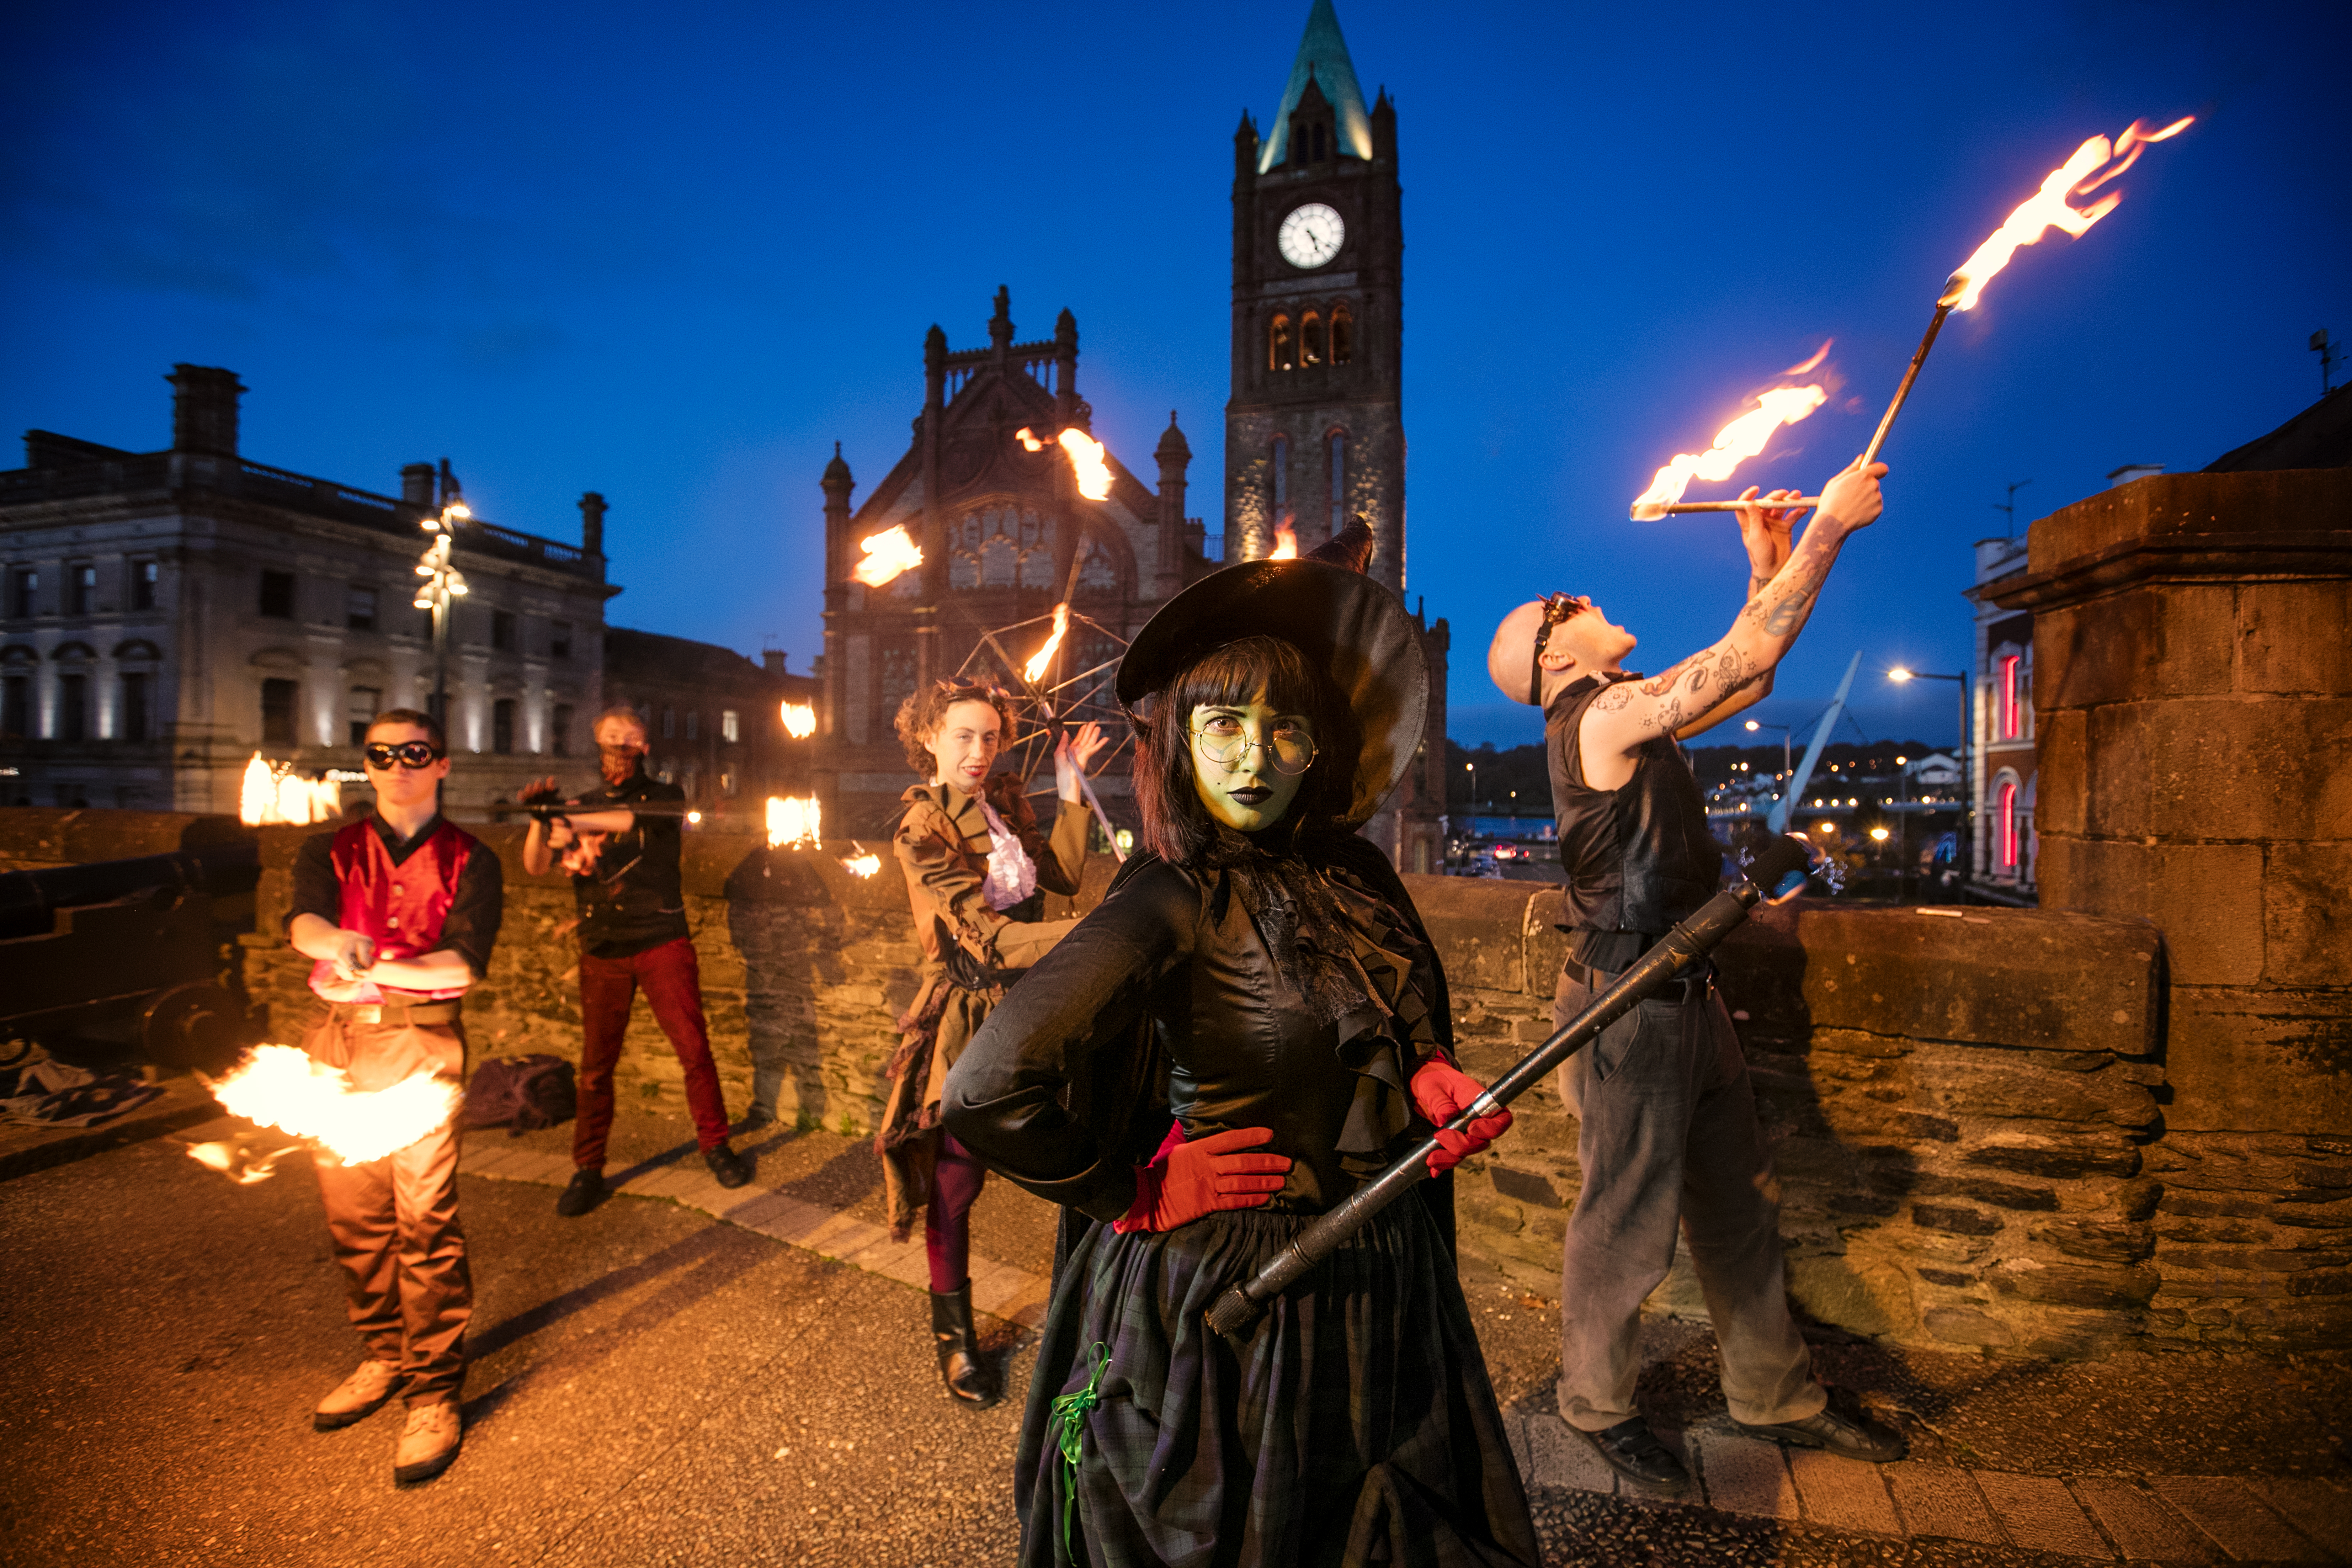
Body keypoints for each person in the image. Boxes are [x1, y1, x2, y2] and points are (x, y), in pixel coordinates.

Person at [944, 530, 1539, 1567]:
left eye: (1284, 729)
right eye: (1223, 725)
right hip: (1242, 1301)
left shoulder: (1354, 874)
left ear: (1321, 747)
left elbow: (1391, 1011)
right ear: (1179, 738)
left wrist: (1428, 1076)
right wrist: (1133, 1192)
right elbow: (987, 1086)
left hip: (1382, 1277)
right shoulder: (1171, 895)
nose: (1252, 759)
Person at [1483, 461, 1907, 1495]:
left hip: (1685, 987)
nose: (1586, 598)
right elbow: (1736, 661)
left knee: (1737, 1205)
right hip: (1627, 1003)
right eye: (1567, 606)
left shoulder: (1625, 709)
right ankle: (1594, 1405)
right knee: (1622, 1222)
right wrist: (1826, 536)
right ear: (1552, 650)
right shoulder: (1593, 718)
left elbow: (1747, 675)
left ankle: (1773, 1397)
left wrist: (1763, 560)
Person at [286, 707, 502, 1487]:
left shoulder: (471, 859)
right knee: (354, 1215)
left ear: (442, 764)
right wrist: (334, 943)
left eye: (416, 753)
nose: (399, 765)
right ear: (367, 764)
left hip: (420, 1040)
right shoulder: (329, 848)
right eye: (382, 754)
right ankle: (383, 1353)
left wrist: (376, 971)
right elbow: (304, 923)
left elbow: (463, 964)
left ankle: (434, 1392)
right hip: (338, 1040)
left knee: (424, 1218)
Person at [879, 679, 1106, 1407]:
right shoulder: (921, 829)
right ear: (930, 741)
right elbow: (994, 939)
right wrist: (1097, 935)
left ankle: (1107, 1320)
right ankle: (953, 1339)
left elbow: (1062, 876)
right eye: (962, 738)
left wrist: (1072, 795)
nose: (978, 753)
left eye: (989, 737)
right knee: (955, 1181)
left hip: (1038, 1001)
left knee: (1087, 1155)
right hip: (973, 1013)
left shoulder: (1005, 802)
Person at [520, 705, 752, 1217]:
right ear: (596, 741)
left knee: (694, 1050)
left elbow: (633, 819)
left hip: (660, 939)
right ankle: (587, 1166)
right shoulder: (580, 804)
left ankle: (715, 1145)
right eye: (611, 737)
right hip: (602, 946)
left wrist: (563, 815)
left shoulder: (664, 796)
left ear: (645, 746)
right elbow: (535, 865)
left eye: (631, 738)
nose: (621, 746)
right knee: (596, 1066)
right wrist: (542, 823)